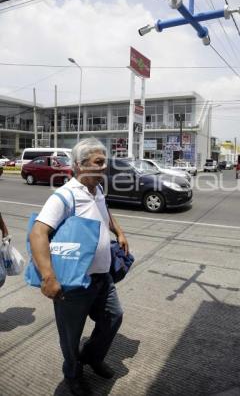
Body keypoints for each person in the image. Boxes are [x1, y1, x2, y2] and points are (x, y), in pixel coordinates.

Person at [29, 138, 129, 396]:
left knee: (113, 317)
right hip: (74, 283)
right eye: (99, 162)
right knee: (71, 335)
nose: (104, 167)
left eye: (104, 161)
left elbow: (104, 211)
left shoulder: (97, 191)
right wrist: (48, 277)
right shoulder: (64, 196)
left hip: (102, 278)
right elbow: (38, 233)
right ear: (80, 165)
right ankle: (73, 374)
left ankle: (92, 357)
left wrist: (118, 230)